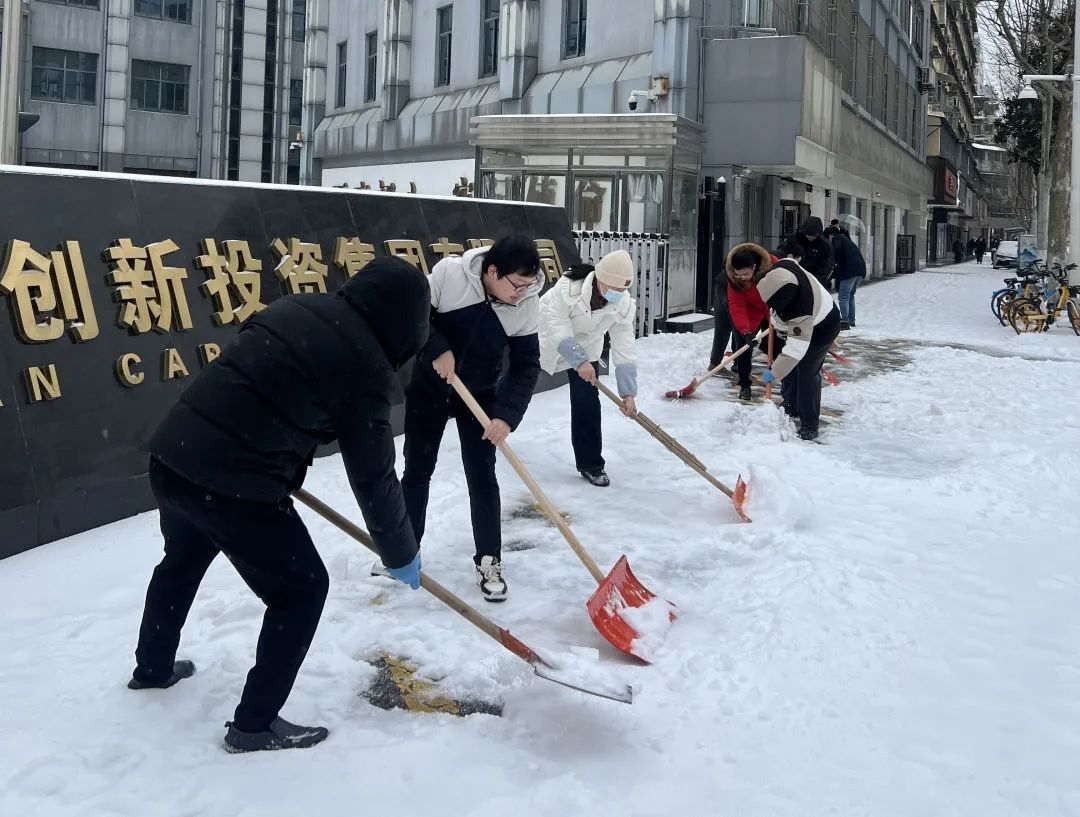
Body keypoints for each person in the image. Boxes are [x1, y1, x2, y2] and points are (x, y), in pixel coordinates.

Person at [129, 257, 430, 753]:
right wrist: (401, 552)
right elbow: (374, 477)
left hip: (175, 455)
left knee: (180, 562)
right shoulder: (366, 368)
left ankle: (153, 667)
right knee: (302, 589)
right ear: (408, 321)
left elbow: (265, 384)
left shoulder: (296, 306)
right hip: (232, 484)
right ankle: (254, 725)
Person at [399, 235, 542, 602]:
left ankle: (490, 559)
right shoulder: (450, 274)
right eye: (517, 284)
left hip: (479, 394)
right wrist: (438, 348)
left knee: (482, 477)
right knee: (417, 471)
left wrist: (507, 417)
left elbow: (526, 367)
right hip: (430, 388)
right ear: (493, 271)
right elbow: (414, 314)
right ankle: (405, 549)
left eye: (529, 285)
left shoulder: (526, 305)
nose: (522, 293)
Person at [538, 250, 638, 487]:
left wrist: (628, 393)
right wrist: (578, 360)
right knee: (517, 381)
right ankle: (494, 420)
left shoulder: (622, 303)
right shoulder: (568, 289)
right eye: (615, 288)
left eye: (624, 289)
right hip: (546, 340)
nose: (619, 294)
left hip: (588, 347)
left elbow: (624, 344)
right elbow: (556, 325)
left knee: (587, 403)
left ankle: (591, 464)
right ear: (600, 279)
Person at [755, 241, 842, 441]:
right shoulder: (781, 270)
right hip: (808, 317)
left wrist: (773, 372)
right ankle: (791, 405)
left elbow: (794, 351)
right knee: (790, 367)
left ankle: (810, 422)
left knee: (806, 371)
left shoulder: (800, 311)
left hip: (823, 326)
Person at [724, 244, 773, 401]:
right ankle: (745, 384)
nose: (742, 278)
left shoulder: (772, 267)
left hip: (774, 304)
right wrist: (745, 331)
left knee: (779, 344)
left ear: (754, 266)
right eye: (738, 275)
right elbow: (737, 306)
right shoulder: (734, 279)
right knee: (744, 346)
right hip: (750, 308)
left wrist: (776, 316)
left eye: (745, 274)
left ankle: (787, 384)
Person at [825, 224, 867, 330]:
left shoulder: (837, 240)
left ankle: (844, 321)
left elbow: (837, 259)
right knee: (850, 295)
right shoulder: (846, 239)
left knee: (843, 296)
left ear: (831, 235)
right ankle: (851, 320)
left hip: (850, 272)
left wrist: (830, 273)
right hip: (859, 271)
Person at [789, 216, 834, 290]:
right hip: (795, 277)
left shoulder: (825, 245)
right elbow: (784, 252)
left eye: (814, 236)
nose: (811, 237)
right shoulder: (795, 238)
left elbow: (826, 266)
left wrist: (815, 281)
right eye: (808, 235)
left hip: (815, 280)